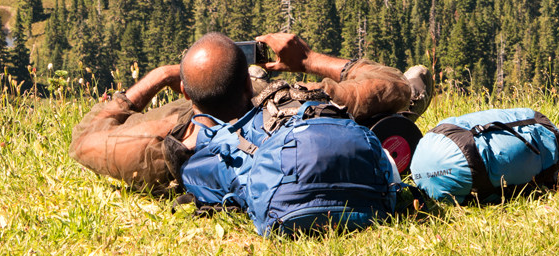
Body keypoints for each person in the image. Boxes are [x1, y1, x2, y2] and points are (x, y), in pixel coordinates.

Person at [68, 31, 431, 194]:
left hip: (194, 130)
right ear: (247, 85)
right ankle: (399, 117)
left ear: (184, 90)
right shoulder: (299, 99)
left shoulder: (163, 144)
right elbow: (390, 84)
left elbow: (86, 139)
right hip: (300, 131)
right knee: (400, 94)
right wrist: (308, 60)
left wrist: (159, 76)